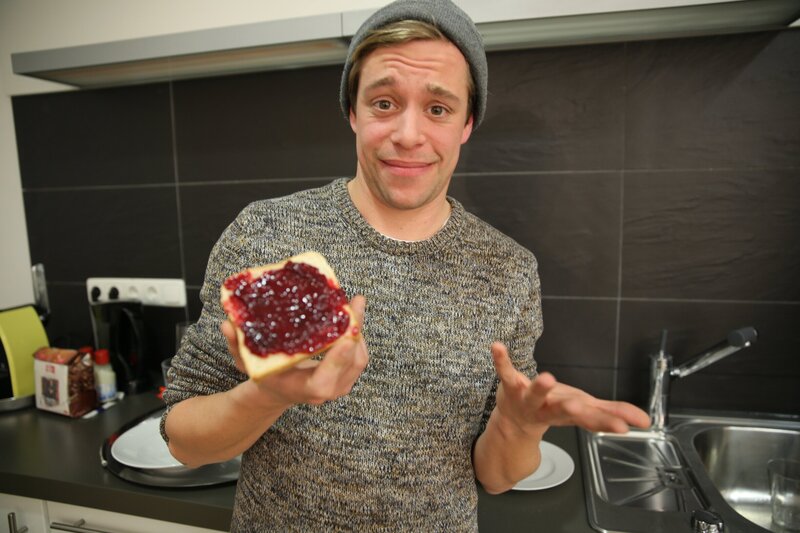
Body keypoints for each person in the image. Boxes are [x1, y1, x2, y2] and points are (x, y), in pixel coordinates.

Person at [161, 0, 649, 530]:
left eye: (438, 109)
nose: (409, 135)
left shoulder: (507, 269)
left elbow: (497, 476)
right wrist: (268, 395)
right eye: (384, 103)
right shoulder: (267, 234)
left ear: (467, 123)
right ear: (353, 112)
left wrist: (518, 425)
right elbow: (185, 442)